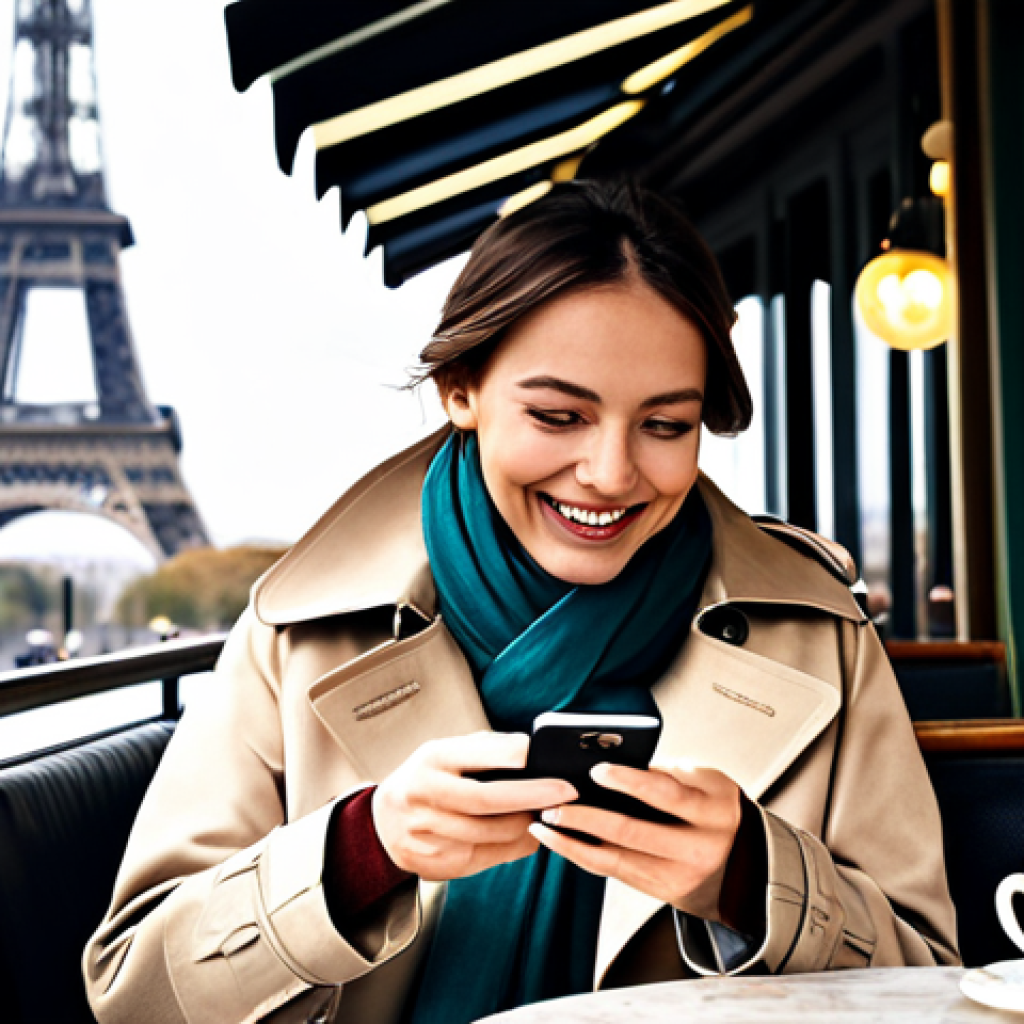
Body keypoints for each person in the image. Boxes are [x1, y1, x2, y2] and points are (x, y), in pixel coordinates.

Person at [84, 181, 958, 1024]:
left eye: (664, 427)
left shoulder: (822, 635)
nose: (612, 475)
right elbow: (133, 991)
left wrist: (746, 881)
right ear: (459, 390)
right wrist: (361, 850)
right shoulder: (297, 631)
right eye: (558, 416)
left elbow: (934, 981)